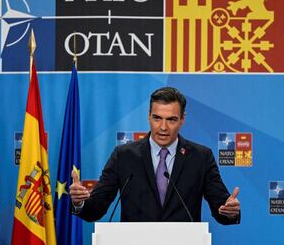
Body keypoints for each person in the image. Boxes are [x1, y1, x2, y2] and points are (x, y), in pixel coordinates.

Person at [70, 87, 241, 224]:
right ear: (148, 117)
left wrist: (230, 211)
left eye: (171, 119)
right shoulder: (124, 156)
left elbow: (222, 208)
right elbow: (96, 209)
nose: (163, 127)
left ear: (182, 119)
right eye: (157, 118)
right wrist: (80, 203)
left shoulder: (201, 157)